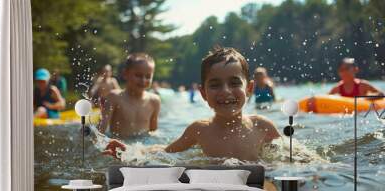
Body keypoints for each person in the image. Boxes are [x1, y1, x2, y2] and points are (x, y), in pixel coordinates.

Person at [103, 47, 280, 161]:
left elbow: (291, 155)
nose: (225, 91)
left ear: (249, 88)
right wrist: (130, 151)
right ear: (203, 93)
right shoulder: (199, 130)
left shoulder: (263, 127)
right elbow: (165, 151)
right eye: (215, 85)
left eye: (234, 83)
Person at [98, 53, 161, 138]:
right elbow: (100, 131)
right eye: (138, 75)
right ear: (125, 74)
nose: (143, 80)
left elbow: (153, 132)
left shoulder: (154, 101)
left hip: (142, 147)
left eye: (148, 76)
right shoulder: (114, 98)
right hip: (119, 146)